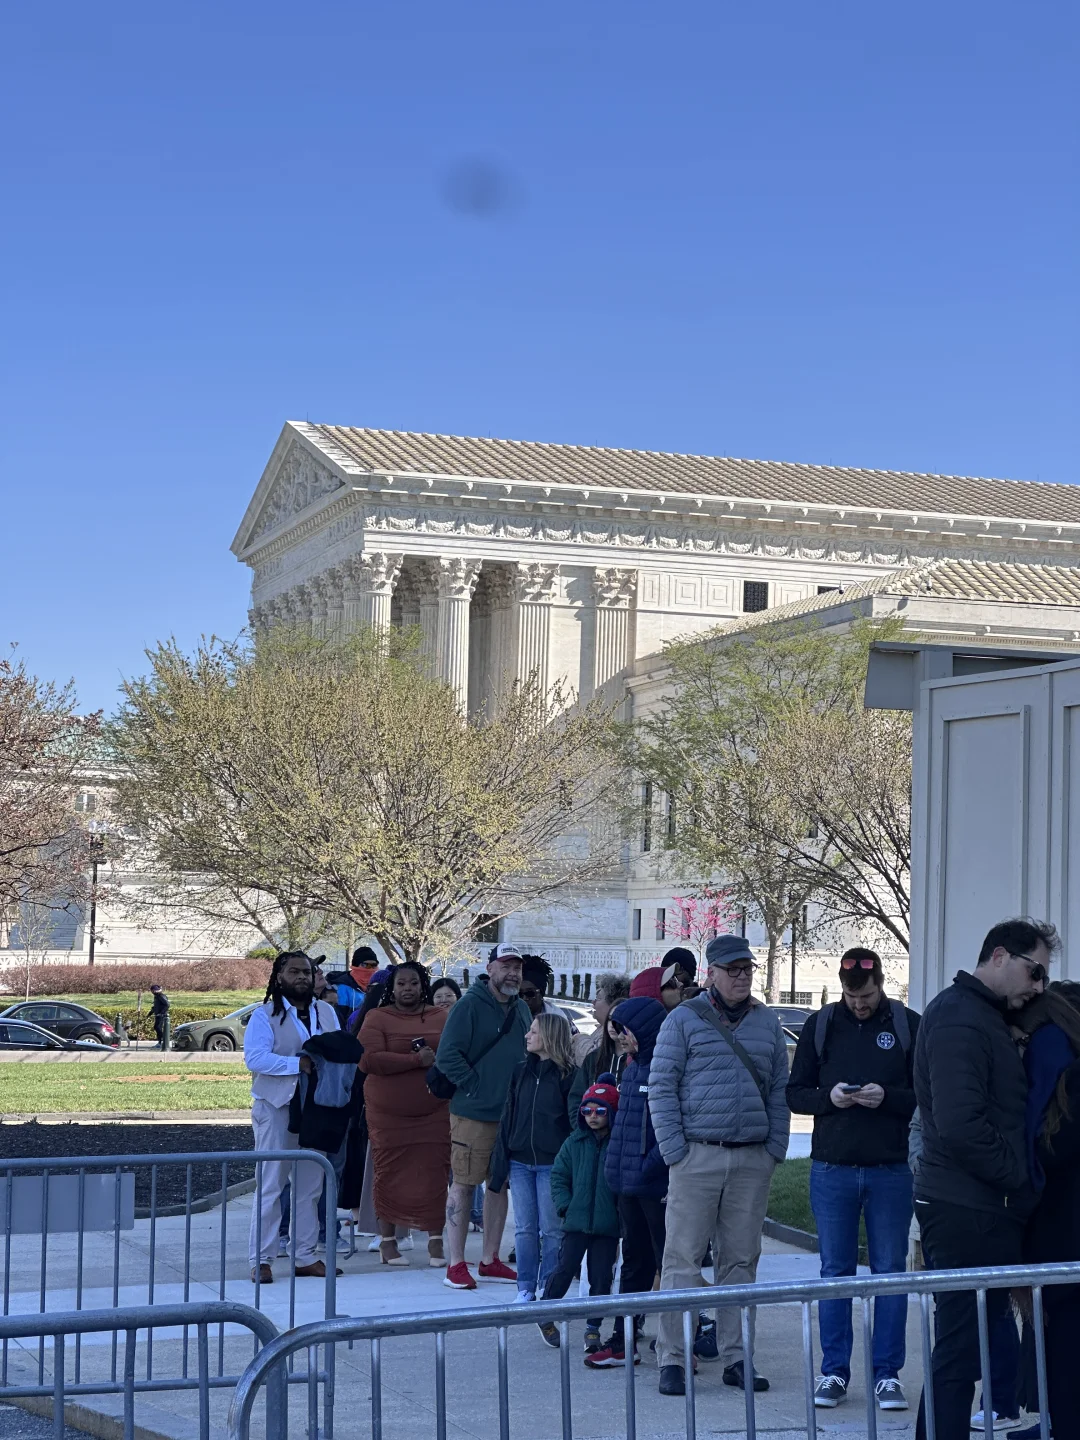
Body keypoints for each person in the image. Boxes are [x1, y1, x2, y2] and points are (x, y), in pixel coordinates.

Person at [913, 917, 1056, 1440]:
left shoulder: (983, 1016)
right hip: (964, 1209)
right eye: (1035, 971)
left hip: (978, 1206)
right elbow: (961, 1126)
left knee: (965, 1348)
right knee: (959, 1352)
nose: (1038, 986)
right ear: (999, 956)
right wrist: (1018, 1177)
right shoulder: (960, 1018)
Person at [649, 933, 790, 1398]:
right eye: (732, 970)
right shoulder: (683, 1020)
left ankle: (736, 1356)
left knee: (741, 1261)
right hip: (697, 1156)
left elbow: (779, 1089)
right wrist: (676, 1151)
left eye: (747, 968)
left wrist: (773, 1149)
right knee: (682, 1261)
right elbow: (661, 1087)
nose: (742, 976)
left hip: (751, 1158)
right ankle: (673, 1357)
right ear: (712, 973)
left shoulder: (766, 1022)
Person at [787, 947, 921, 1412]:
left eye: (866, 996)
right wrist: (831, 1098)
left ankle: (888, 1375)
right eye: (851, 996)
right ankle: (834, 1372)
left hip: (890, 1169)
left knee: (890, 1272)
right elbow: (795, 1094)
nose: (859, 1004)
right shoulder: (821, 1024)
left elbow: (925, 1094)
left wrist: (888, 1098)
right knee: (835, 1272)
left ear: (881, 984)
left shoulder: (906, 1024)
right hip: (832, 1168)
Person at [434, 942, 530, 1290]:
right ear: (489, 969)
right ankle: (456, 1264)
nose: (512, 973)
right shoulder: (469, 1006)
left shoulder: (521, 1008)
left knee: (498, 1184)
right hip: (473, 1113)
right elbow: (447, 1057)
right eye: (506, 966)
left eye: (517, 967)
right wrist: (477, 1087)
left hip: (510, 1115)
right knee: (463, 1184)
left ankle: (490, 1259)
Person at [243, 951, 341, 1283]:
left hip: (318, 1108)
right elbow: (255, 1058)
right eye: (294, 971)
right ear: (279, 977)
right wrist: (296, 1064)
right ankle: (261, 1259)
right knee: (271, 1184)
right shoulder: (264, 1014)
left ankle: (304, 1256)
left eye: (307, 972)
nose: (302, 977)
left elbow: (337, 1051)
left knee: (310, 1186)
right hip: (276, 1107)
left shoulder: (325, 1012)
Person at [1017, 982, 1080, 1440]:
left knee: (1064, 1353)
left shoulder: (1065, 1081)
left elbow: (1053, 1152)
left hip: (1062, 1241)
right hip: (1059, 1240)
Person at [593, 996, 669, 1368]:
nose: (621, 1037)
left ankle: (684, 1337)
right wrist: (617, 1170)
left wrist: (648, 1167)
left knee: (670, 1263)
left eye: (626, 1030)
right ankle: (623, 1338)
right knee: (634, 1263)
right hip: (629, 1185)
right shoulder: (632, 1067)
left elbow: (669, 1131)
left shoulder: (665, 1068)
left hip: (655, 1186)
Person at [358, 961, 450, 1267]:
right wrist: (414, 1061)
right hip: (388, 1115)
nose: (407, 988)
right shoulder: (377, 1017)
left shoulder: (440, 1016)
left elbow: (453, 1053)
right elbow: (368, 1060)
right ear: (392, 988)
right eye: (401, 984)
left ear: (423, 986)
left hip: (434, 1110)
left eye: (413, 983)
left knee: (434, 1173)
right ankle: (387, 1242)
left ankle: (435, 1242)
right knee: (389, 1173)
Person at [490, 1011, 576, 1302]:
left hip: (552, 1164)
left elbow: (572, 1124)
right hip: (519, 1161)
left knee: (552, 1229)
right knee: (525, 1229)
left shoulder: (569, 1075)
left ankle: (547, 1287)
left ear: (549, 1036)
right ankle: (525, 1286)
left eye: (534, 1031)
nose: (527, 1035)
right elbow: (508, 1117)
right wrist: (500, 1164)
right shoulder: (520, 1071)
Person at [538, 1076, 622, 1355]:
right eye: (587, 1110)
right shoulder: (574, 1143)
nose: (592, 1116)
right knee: (564, 1269)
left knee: (601, 1277)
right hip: (576, 1222)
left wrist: (621, 1214)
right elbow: (559, 1177)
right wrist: (565, 1206)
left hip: (607, 1226)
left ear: (612, 1113)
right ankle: (545, 1311)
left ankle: (593, 1328)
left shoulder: (618, 1144)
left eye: (600, 1111)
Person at [570, 976, 632, 1108]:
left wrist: (579, 1038)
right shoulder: (593, 1057)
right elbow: (576, 1097)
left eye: (598, 998)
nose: (593, 1002)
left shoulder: (635, 1060)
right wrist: (580, 1120)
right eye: (610, 1019)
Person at [150, 984, 170, 1048]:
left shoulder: (160, 996)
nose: (152, 992)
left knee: (158, 1027)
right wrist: (150, 1013)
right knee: (157, 1027)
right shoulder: (156, 996)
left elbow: (167, 1005)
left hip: (161, 1015)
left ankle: (162, 1041)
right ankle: (160, 1042)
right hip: (158, 1014)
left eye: (153, 990)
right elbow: (156, 1006)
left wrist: (161, 1013)